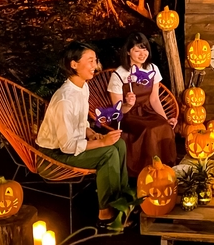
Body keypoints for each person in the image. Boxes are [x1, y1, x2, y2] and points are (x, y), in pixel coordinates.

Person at [36, 41, 130, 225]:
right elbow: (67, 146)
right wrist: (101, 143)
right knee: (108, 152)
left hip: (72, 144)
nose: (95, 65)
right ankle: (106, 213)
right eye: (90, 60)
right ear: (74, 64)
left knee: (119, 143)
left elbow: (79, 121)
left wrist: (90, 132)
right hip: (53, 155)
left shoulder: (83, 87)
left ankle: (123, 199)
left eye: (95, 60)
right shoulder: (65, 100)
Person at [107, 32, 177, 177]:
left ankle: (166, 170)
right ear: (128, 52)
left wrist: (165, 119)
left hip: (147, 111)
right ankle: (149, 173)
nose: (142, 54)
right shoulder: (119, 75)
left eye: (144, 49)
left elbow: (154, 99)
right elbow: (118, 111)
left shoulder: (152, 69)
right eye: (137, 50)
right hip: (128, 116)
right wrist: (128, 104)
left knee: (164, 126)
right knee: (150, 130)